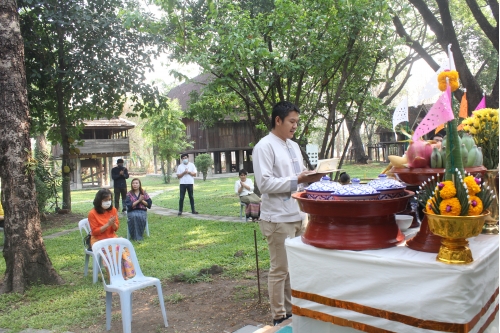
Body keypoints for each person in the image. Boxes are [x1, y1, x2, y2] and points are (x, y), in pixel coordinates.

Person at [252, 101, 325, 326]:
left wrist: (310, 178)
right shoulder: (264, 147)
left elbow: (297, 178)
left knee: (293, 268)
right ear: (278, 120)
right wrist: (298, 180)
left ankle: (292, 312)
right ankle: (278, 316)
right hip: (277, 218)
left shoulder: (293, 146)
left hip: (297, 215)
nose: (295, 126)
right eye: (292, 122)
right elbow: (264, 184)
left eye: (297, 122)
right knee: (280, 268)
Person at [88, 188, 135, 280]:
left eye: (109, 200)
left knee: (124, 248)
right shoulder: (92, 213)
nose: (108, 202)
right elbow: (95, 232)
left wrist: (112, 224)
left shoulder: (113, 210)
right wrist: (107, 224)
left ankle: (127, 274)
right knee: (113, 252)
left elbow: (116, 228)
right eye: (105, 200)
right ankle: (114, 276)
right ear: (99, 200)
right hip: (99, 240)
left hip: (112, 238)